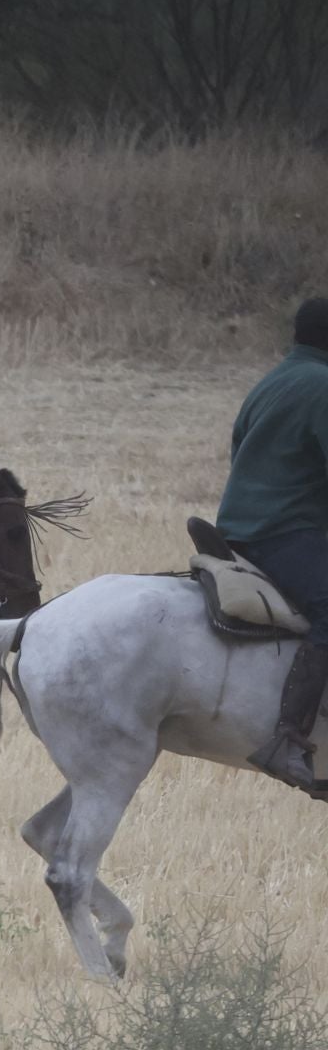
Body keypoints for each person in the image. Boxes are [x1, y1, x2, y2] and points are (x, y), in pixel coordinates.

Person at [217, 296, 328, 791]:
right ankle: (287, 738)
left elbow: (238, 450)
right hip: (283, 531)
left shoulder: (273, 381)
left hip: (242, 526)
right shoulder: (322, 386)